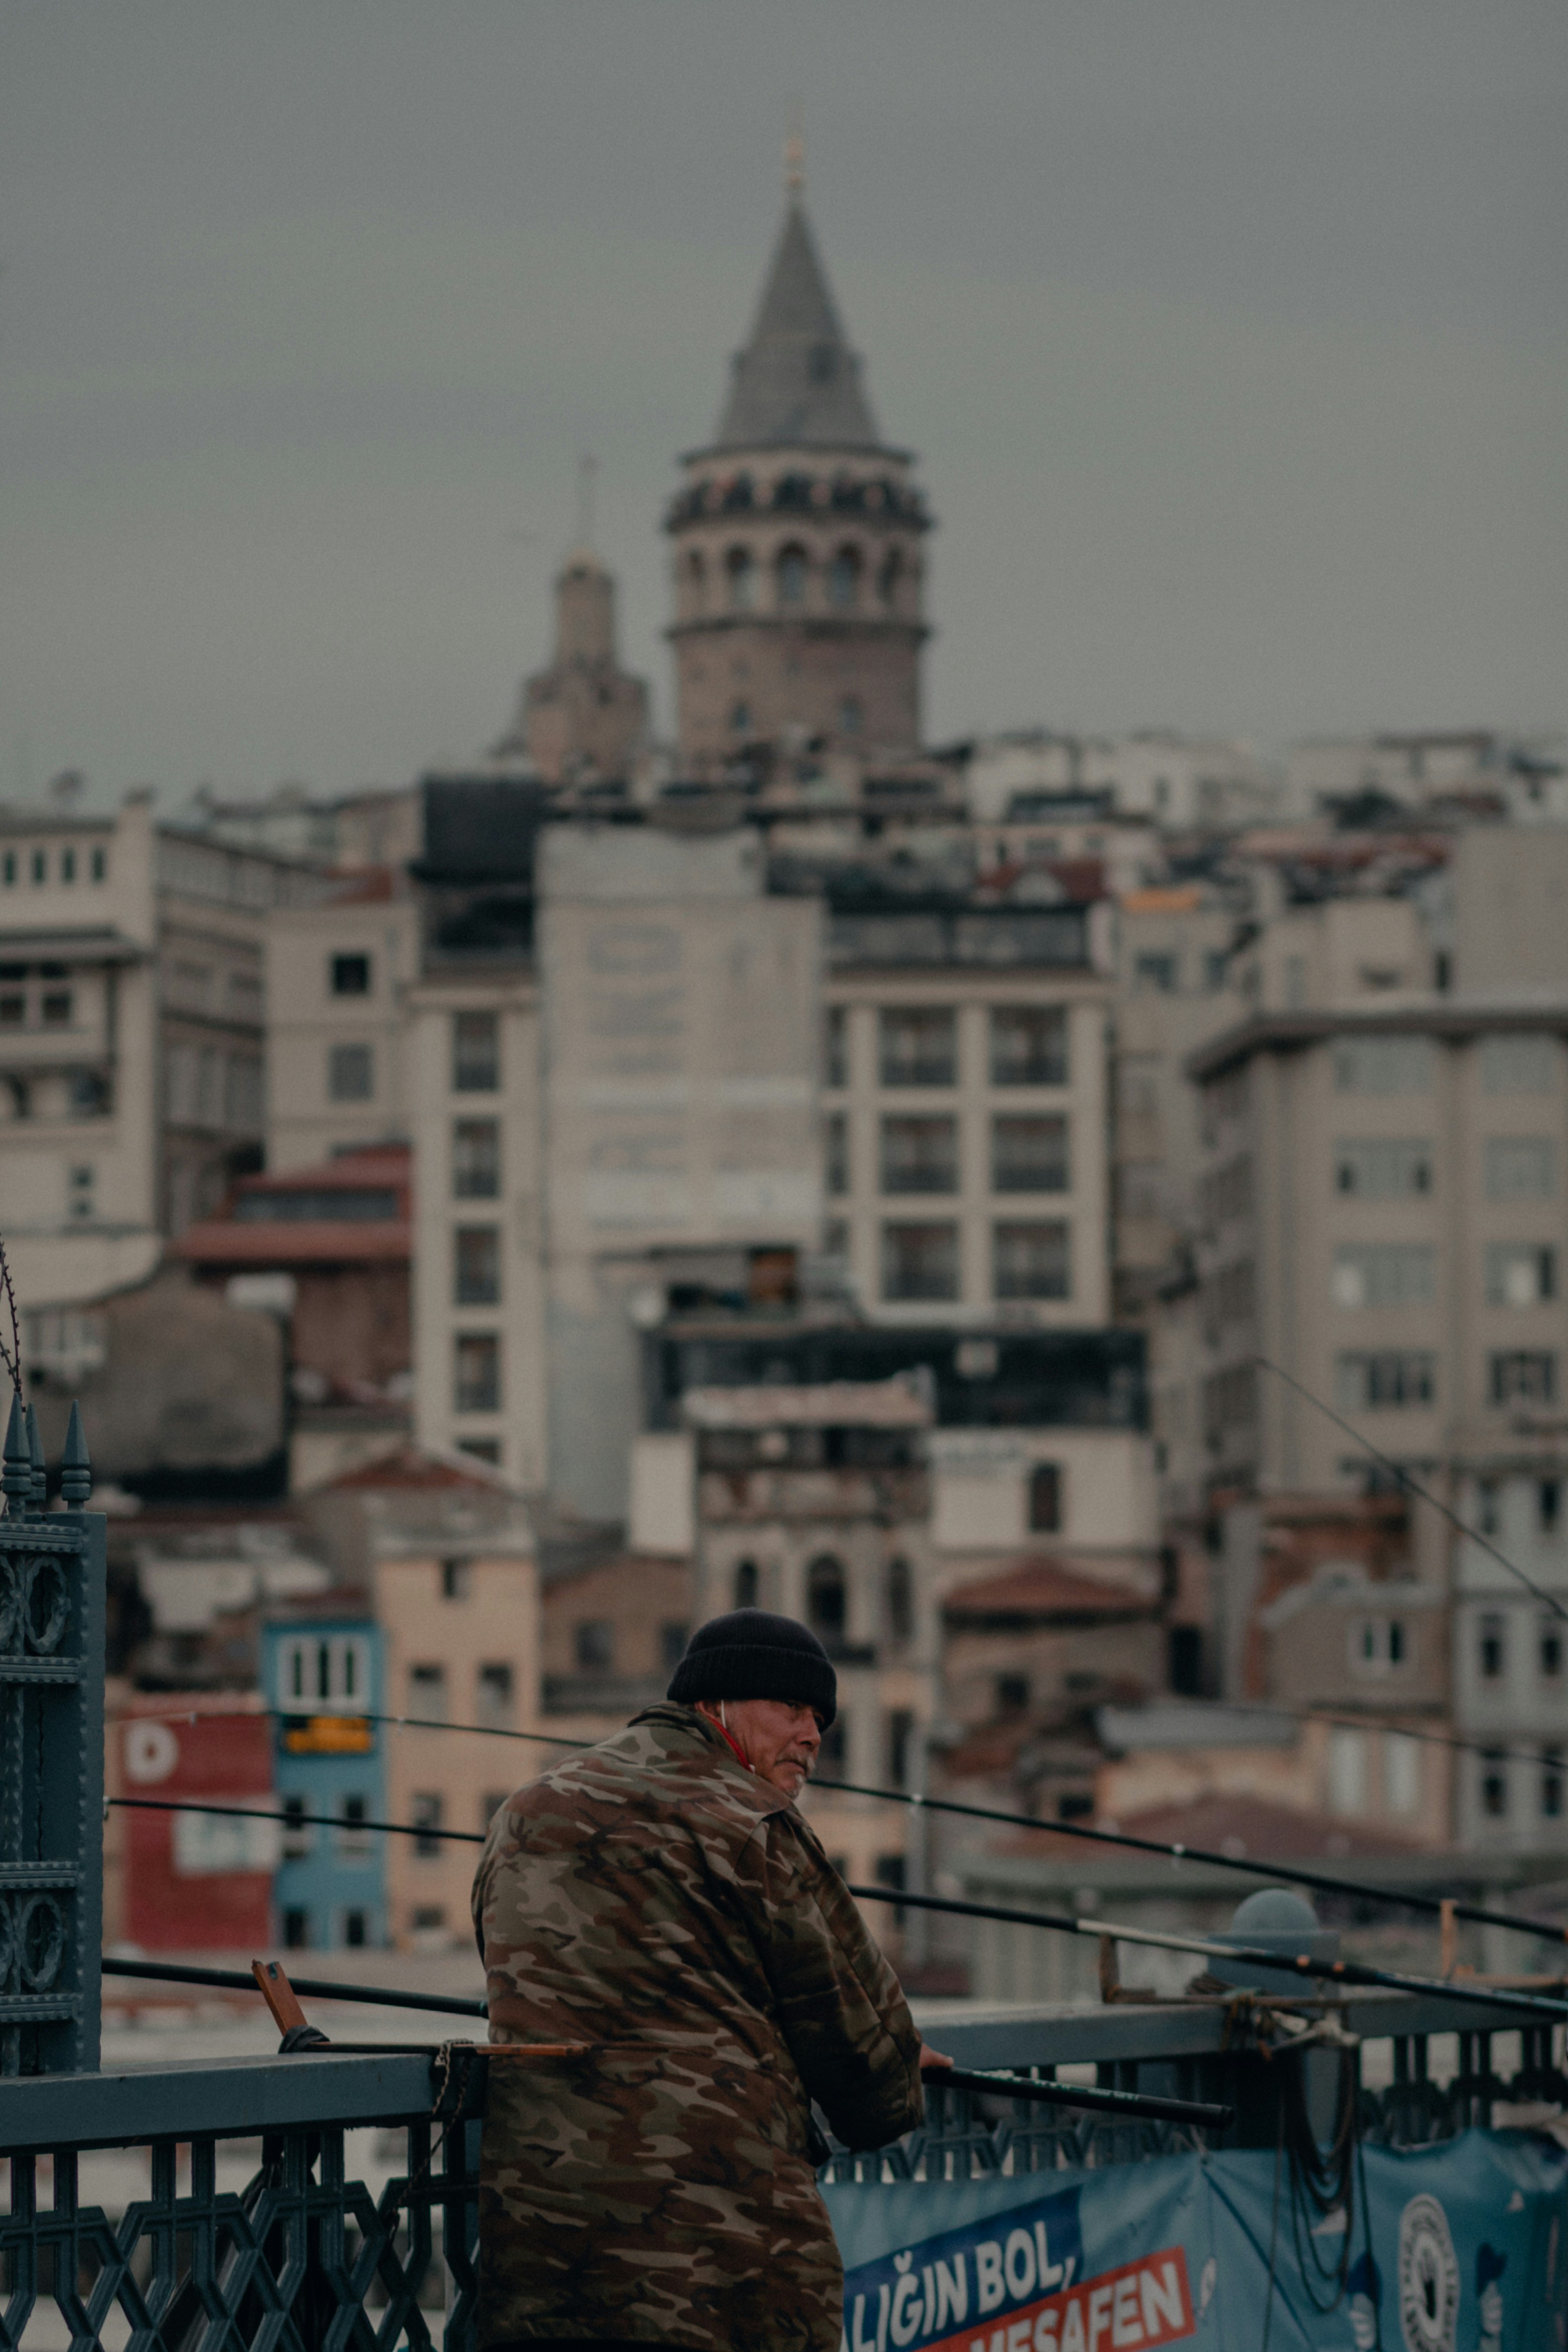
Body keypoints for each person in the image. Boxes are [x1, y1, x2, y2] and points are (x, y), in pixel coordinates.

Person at [472, 1607, 948, 2352]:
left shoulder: (522, 1813)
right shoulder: (757, 1821)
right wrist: (900, 2062)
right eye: (788, 1708)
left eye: (819, 1718)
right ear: (713, 1703)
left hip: (546, 2246)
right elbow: (870, 2079)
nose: (812, 1735)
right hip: (723, 2259)